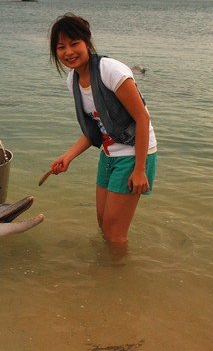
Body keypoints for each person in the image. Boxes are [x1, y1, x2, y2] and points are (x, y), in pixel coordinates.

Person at [47, 13, 157, 254]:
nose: (69, 52)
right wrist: (67, 157)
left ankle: (117, 282)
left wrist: (139, 170)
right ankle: (106, 279)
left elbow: (142, 118)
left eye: (74, 43)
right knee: (103, 224)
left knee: (115, 233)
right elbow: (94, 132)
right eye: (61, 47)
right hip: (109, 154)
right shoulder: (72, 81)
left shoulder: (111, 71)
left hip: (134, 152)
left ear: (87, 42)